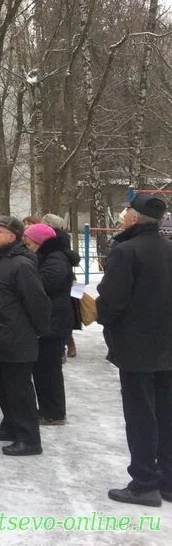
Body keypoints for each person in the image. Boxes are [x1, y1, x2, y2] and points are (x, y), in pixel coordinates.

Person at [97, 193, 172, 507]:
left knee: (140, 415)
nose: (122, 217)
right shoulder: (168, 249)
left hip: (137, 347)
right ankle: (167, 479)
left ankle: (143, 482)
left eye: (126, 212)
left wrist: (101, 313)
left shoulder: (126, 251)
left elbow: (112, 301)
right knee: (166, 413)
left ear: (135, 218)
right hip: (166, 346)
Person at [0, 216, 50, 457]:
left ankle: (29, 439)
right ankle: (10, 426)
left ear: (12, 236)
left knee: (19, 391)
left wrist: (35, 332)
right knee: (4, 388)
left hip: (15, 338)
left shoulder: (21, 265)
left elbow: (38, 303)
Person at [25, 222, 75, 425]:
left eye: (29, 243)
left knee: (49, 369)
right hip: (50, 319)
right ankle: (48, 408)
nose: (27, 247)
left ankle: (53, 412)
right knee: (43, 368)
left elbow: (43, 285)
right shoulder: (50, 257)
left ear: (39, 242)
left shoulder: (56, 260)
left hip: (53, 322)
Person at [41, 213, 81, 358]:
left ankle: (64, 348)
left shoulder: (51, 244)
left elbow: (48, 282)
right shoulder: (63, 240)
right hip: (67, 282)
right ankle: (67, 345)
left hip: (58, 289)